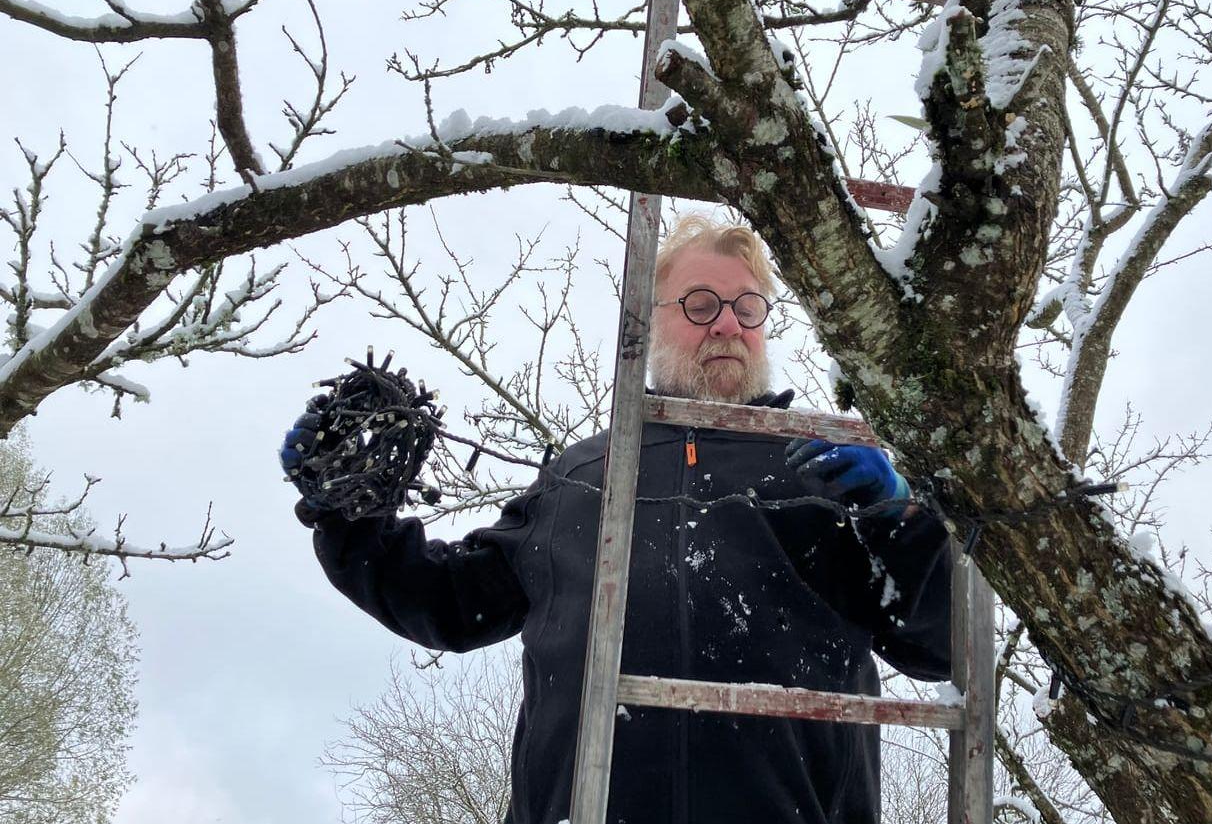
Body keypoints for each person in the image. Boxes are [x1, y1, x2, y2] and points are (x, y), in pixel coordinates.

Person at [282, 215, 951, 824]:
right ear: (649, 318)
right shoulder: (583, 474)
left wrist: (905, 512)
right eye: (699, 304)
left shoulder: (826, 468)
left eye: (746, 306)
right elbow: (451, 602)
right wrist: (348, 515)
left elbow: (938, 643)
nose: (726, 324)